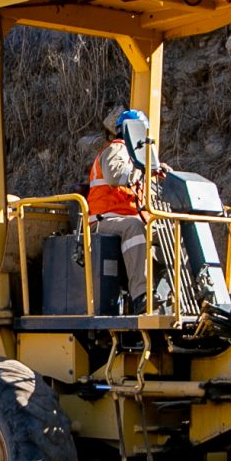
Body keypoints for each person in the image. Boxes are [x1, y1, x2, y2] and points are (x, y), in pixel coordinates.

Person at [86, 106, 152, 309]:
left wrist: (155, 171)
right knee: (134, 228)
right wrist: (144, 171)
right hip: (104, 219)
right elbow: (116, 176)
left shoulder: (139, 158)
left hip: (123, 217)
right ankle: (142, 296)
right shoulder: (118, 148)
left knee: (169, 230)